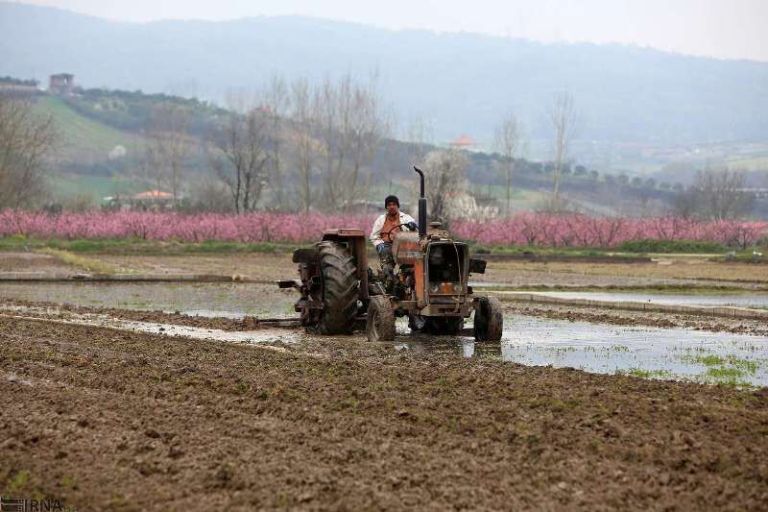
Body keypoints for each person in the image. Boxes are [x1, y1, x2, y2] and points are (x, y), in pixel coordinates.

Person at [369, 195, 417, 268]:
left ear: (398, 206)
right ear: (386, 207)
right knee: (386, 265)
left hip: (402, 246)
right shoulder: (381, 220)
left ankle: (407, 273)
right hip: (387, 246)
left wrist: (412, 225)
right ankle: (388, 275)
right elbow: (374, 236)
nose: (392, 207)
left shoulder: (406, 217)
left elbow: (414, 226)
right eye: (389, 205)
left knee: (410, 263)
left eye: (394, 204)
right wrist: (379, 244)